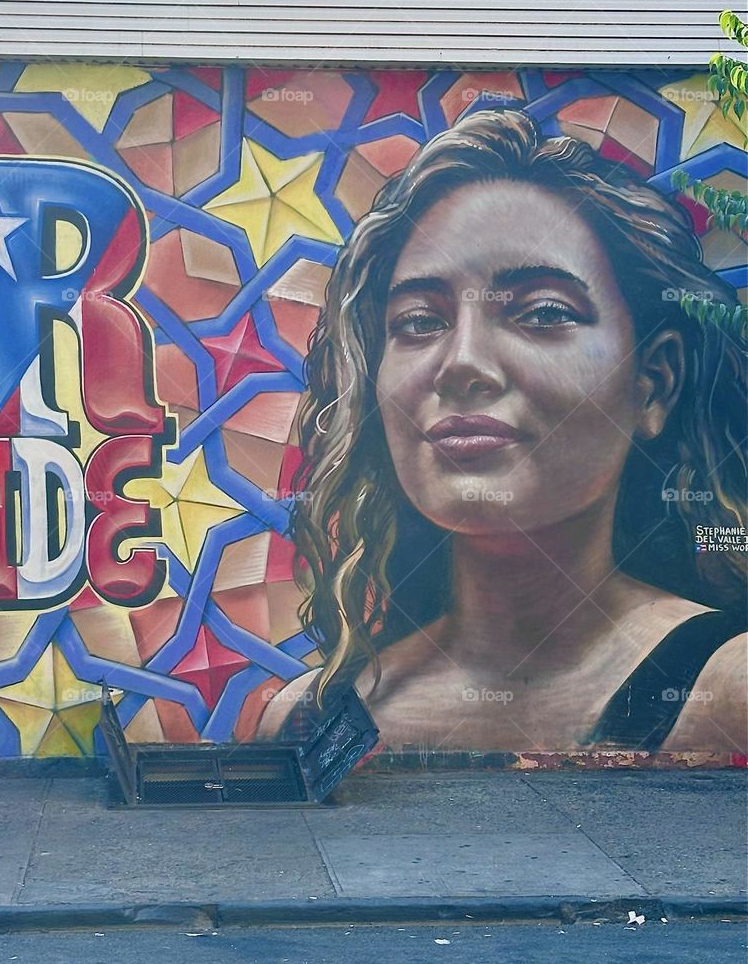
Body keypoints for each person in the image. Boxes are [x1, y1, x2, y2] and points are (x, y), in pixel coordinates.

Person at [260, 109, 747, 753]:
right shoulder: (308, 717)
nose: (461, 362)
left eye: (543, 313)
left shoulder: (728, 688)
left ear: (652, 383)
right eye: (418, 322)